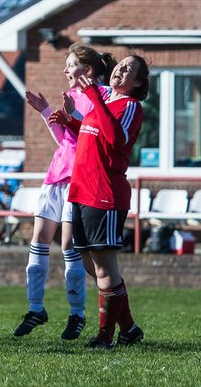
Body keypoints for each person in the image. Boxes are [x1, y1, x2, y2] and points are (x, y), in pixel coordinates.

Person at [15, 43, 113, 340]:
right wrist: (46, 112)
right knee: (39, 239)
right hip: (57, 174)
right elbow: (65, 140)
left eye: (70, 65)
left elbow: (96, 136)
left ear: (89, 69)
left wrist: (74, 117)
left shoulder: (105, 97)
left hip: (80, 178)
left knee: (69, 246)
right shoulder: (70, 96)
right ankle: (35, 308)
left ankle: (76, 314)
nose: (65, 70)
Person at [51, 53, 149, 349]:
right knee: (86, 260)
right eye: (120, 65)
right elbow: (94, 136)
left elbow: (116, 139)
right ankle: (129, 327)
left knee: (105, 267)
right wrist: (72, 122)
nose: (120, 69)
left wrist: (93, 96)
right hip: (82, 189)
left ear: (139, 82)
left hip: (104, 193)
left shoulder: (131, 106)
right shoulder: (104, 103)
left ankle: (105, 337)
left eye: (129, 69)